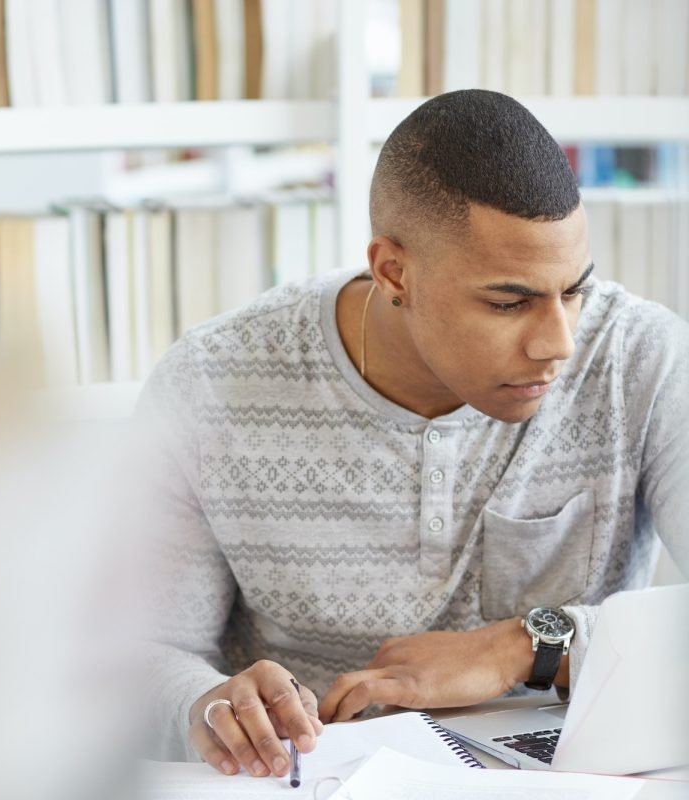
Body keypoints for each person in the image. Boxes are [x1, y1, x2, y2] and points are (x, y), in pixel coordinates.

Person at [137, 90, 689, 776]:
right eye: (509, 302)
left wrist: (528, 647)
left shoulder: (645, 360)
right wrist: (207, 703)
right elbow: (141, 655)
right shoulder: (209, 383)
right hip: (312, 778)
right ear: (394, 272)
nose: (559, 343)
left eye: (574, 289)